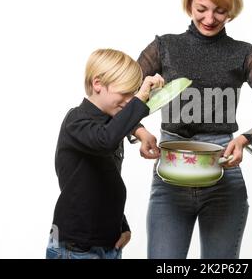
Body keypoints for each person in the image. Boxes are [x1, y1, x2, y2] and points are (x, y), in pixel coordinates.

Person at [131, 0, 252, 259]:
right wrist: (139, 131)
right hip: (170, 174)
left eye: (220, 10)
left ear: (232, 9)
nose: (210, 18)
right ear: (189, 2)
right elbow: (119, 96)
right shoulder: (164, 47)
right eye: (202, 8)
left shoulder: (244, 54)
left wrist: (244, 139)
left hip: (223, 173)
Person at [46, 48, 164, 259]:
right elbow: (105, 139)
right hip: (76, 247)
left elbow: (105, 184)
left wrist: (122, 225)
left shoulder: (112, 124)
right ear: (97, 84)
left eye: (133, 93)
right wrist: (141, 98)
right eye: (125, 93)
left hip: (109, 243)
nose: (129, 100)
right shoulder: (76, 121)